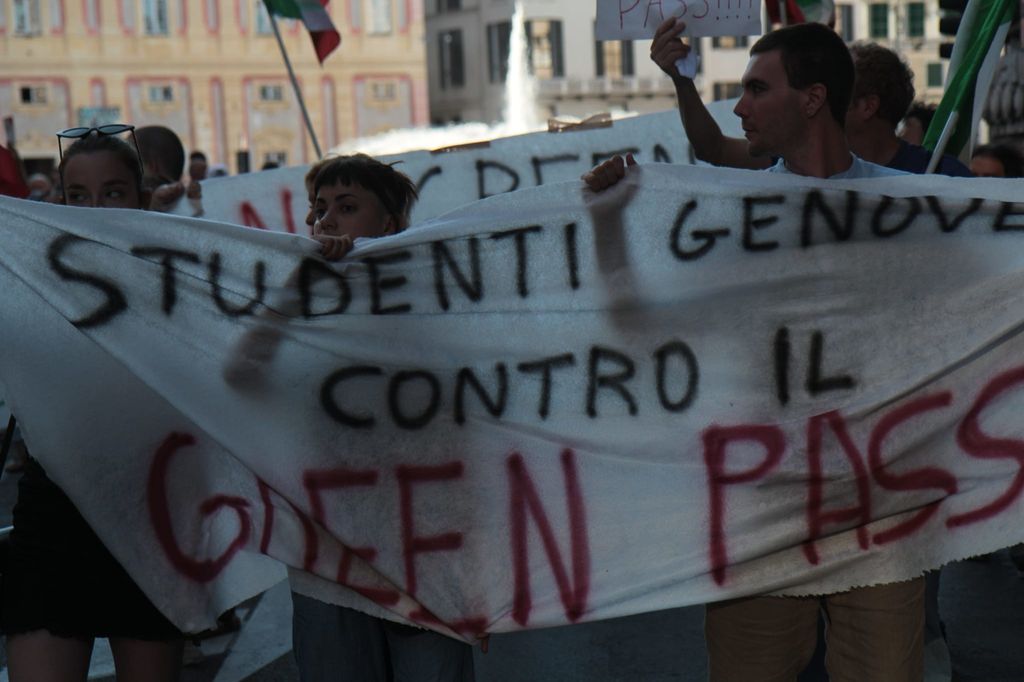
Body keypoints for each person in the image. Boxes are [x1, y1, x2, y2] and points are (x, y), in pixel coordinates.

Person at [586, 23, 923, 682]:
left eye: (754, 89)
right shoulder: (730, 218)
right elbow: (639, 328)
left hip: (878, 508)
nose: (738, 107)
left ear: (811, 99)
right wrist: (607, 228)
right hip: (761, 512)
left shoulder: (909, 210)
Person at [1, 128, 183, 682]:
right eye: (78, 195)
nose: (94, 208)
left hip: (150, 522)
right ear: (59, 200)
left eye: (112, 192)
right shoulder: (26, 273)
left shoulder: (179, 280)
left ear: (141, 198)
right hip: (54, 516)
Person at [648, 18, 971, 176]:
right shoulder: (782, 164)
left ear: (867, 106)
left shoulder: (939, 179)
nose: (740, 108)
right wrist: (683, 82)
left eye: (842, 85)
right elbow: (713, 148)